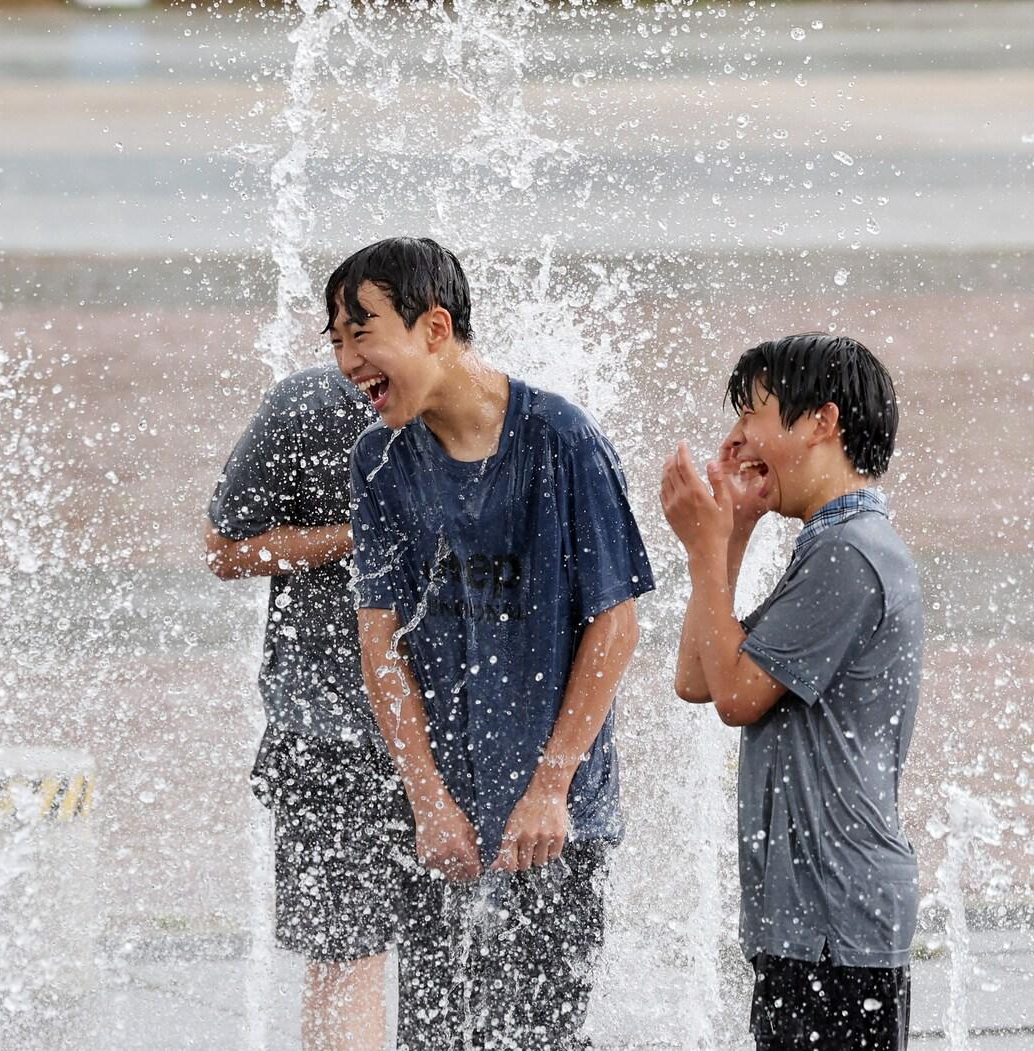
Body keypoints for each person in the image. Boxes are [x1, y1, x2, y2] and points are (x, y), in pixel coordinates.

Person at [335, 237, 654, 1049]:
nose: (346, 361)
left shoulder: (562, 439)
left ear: (434, 327)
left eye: (360, 333)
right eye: (334, 340)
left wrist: (551, 785)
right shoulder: (380, 459)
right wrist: (427, 797)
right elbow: (381, 643)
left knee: (546, 1035)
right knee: (436, 1036)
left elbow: (615, 625)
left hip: (555, 819)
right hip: (440, 823)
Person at [660, 333, 921, 1051]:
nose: (739, 434)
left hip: (836, 918)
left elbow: (736, 697)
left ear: (821, 423)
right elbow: (697, 678)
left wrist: (705, 546)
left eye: (756, 411)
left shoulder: (850, 552)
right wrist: (734, 531)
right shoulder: (830, 544)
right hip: (810, 916)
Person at [205, 360, 412, 1051]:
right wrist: (357, 534)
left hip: (448, 731)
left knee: (380, 964)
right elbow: (225, 548)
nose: (355, 349)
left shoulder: (491, 412)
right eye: (344, 328)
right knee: (348, 961)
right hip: (330, 728)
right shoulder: (309, 403)